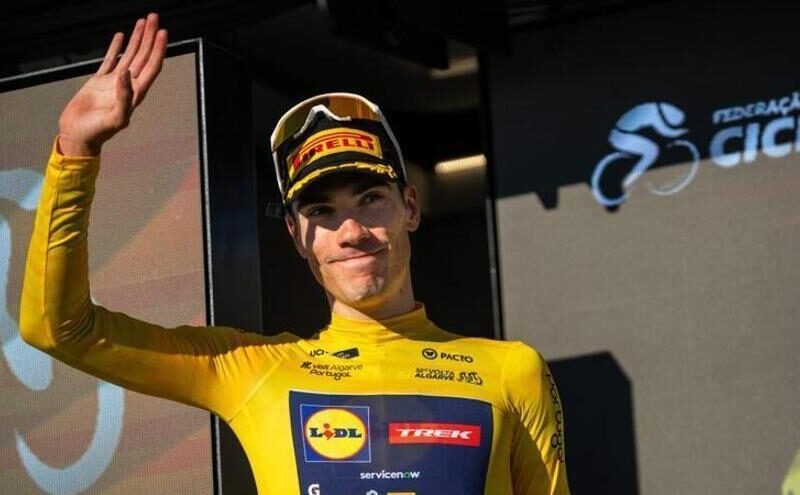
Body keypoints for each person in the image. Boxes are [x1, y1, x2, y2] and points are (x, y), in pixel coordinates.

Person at [19, 12, 570, 495]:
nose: (350, 231)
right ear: (295, 235)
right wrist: (76, 153)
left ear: (409, 207)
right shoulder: (252, 370)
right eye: (321, 211)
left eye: (370, 200)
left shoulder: (510, 369)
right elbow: (58, 330)